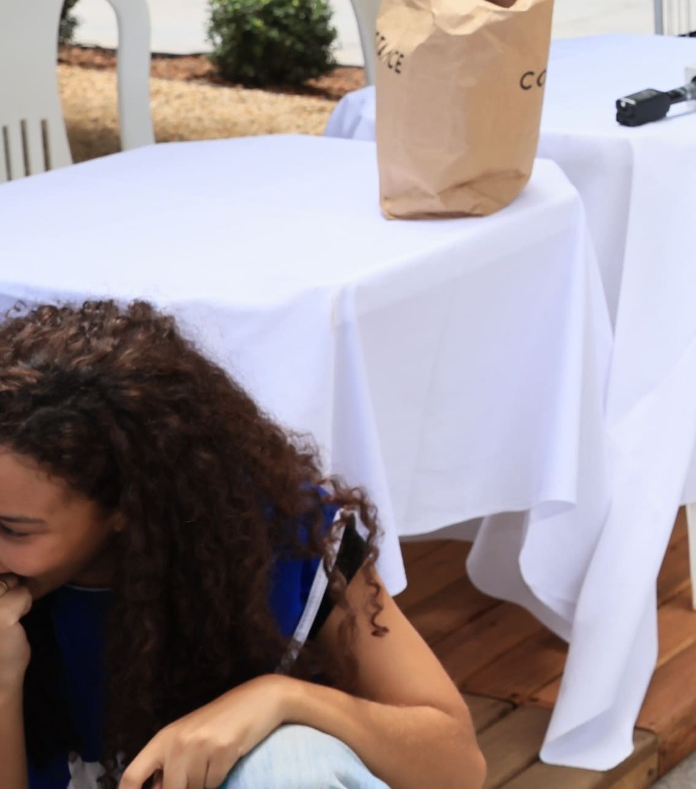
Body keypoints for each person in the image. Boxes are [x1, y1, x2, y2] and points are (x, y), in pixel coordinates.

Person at [0, 301, 483, 789]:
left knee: (292, 764)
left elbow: (457, 765)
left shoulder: (273, 538)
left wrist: (283, 698)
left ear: (127, 505)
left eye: (13, 529)